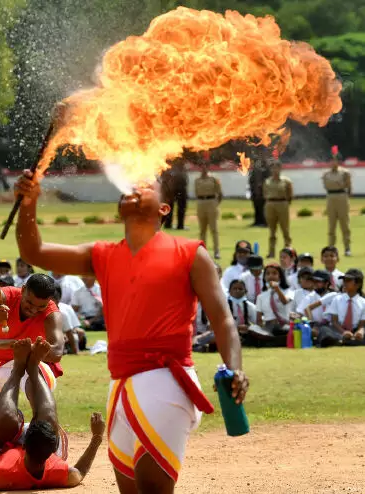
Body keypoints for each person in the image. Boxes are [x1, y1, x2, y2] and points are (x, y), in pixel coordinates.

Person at [13, 169, 249, 493]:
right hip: (120, 386)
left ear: (164, 208)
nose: (134, 189)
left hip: (166, 381)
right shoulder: (102, 255)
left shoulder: (191, 253)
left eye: (146, 187)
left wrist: (234, 367)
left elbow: (222, 319)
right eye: (130, 186)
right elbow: (34, 252)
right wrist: (28, 203)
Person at [0, 337, 104, 489]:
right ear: (53, 451)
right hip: (42, 441)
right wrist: (97, 437)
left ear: (25, 443)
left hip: (3, 446)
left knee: (8, 419)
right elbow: (80, 471)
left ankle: (17, 370)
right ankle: (33, 368)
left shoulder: (3, 473)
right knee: (48, 419)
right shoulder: (59, 472)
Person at [0, 274, 65, 465]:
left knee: (42, 408)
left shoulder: (52, 313)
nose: (34, 310)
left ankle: (47, 457)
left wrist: (9, 344)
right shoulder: (2, 296)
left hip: (30, 362)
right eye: (29, 303)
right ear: (23, 289)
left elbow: (57, 351)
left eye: (40, 306)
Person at [318, 269, 365, 347]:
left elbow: (362, 325)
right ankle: (350, 341)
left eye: (348, 280)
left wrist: (360, 332)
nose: (345, 283)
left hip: (354, 330)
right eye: (344, 280)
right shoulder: (337, 299)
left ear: (358, 284)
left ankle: (342, 341)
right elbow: (334, 321)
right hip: (338, 330)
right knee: (324, 330)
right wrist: (344, 332)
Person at [322, 146, 353, 256]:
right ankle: (331, 248)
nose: (333, 162)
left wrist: (347, 198)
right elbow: (325, 186)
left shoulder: (345, 173)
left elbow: (349, 187)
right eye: (331, 160)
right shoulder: (326, 174)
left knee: (344, 224)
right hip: (331, 197)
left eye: (335, 159)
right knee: (331, 225)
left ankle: (347, 248)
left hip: (341, 196)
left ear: (338, 161)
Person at [253, 264, 295, 345]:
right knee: (254, 329)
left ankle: (272, 340)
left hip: (283, 325)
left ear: (280, 276)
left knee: (283, 330)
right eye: (268, 274)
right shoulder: (261, 296)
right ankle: (272, 340)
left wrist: (277, 289)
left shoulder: (289, 292)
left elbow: (284, 301)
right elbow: (259, 320)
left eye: (274, 273)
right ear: (264, 278)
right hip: (268, 326)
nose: (271, 276)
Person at [263, 161, 293, 258]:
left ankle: (288, 250)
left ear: (280, 169)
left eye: (277, 168)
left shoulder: (286, 181)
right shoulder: (267, 181)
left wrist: (286, 203)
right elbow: (265, 193)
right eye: (273, 168)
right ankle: (271, 252)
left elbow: (290, 194)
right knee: (272, 231)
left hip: (282, 203)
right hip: (270, 204)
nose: (275, 170)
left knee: (285, 229)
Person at [194, 162, 223, 259]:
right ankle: (203, 252)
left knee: (213, 229)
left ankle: (216, 251)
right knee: (202, 230)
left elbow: (220, 193)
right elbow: (196, 192)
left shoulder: (214, 179)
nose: (203, 168)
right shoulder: (197, 180)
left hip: (211, 203)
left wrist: (215, 204)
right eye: (201, 166)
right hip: (201, 203)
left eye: (205, 166)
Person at [53, 286, 85, 354]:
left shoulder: (63, 312)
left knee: (77, 335)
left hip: (64, 335)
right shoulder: (40, 310)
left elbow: (70, 331)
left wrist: (75, 351)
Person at [226, 279, 259, 347]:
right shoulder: (224, 306)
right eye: (234, 289)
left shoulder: (250, 306)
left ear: (245, 291)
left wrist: (249, 327)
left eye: (240, 289)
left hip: (246, 333)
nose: (237, 291)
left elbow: (258, 322)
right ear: (229, 291)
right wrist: (236, 328)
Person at [161, 158, 189, 230]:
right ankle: (177, 225)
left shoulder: (170, 167)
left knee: (175, 208)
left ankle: (172, 224)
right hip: (176, 190)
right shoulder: (176, 168)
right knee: (177, 208)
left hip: (173, 190)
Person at [247, 154, 269, 227]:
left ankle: (265, 222)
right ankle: (257, 221)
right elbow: (251, 182)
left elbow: (265, 182)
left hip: (262, 193)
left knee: (263, 208)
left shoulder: (263, 170)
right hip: (254, 193)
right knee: (256, 208)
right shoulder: (252, 171)